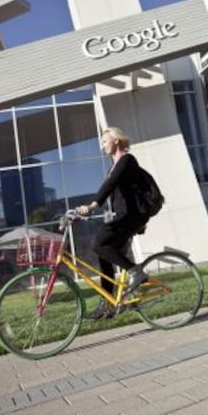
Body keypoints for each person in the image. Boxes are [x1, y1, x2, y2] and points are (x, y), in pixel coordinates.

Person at [76, 127, 150, 319]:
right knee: (104, 253)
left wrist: (92, 205)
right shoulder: (114, 166)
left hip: (133, 215)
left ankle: (137, 272)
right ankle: (108, 304)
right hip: (124, 216)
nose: (102, 147)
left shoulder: (127, 160)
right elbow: (109, 189)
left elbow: (109, 186)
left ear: (116, 140)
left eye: (104, 142)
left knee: (98, 243)